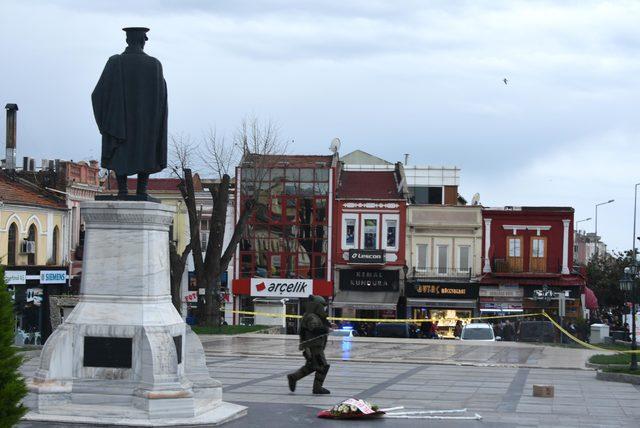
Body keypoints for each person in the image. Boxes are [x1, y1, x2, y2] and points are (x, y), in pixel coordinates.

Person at [92, 27, 168, 198]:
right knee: (145, 150)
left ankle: (123, 190)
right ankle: (142, 189)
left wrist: (107, 123)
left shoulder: (114, 62)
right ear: (143, 41)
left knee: (120, 149)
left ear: (127, 41)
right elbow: (162, 100)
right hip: (146, 127)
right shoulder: (154, 65)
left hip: (119, 125)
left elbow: (97, 94)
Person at [287, 295, 332, 394]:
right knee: (322, 366)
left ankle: (293, 377)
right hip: (313, 347)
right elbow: (315, 329)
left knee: (312, 366)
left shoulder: (312, 315)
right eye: (322, 306)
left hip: (313, 346)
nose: (324, 308)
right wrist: (327, 329)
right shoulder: (312, 317)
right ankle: (317, 388)